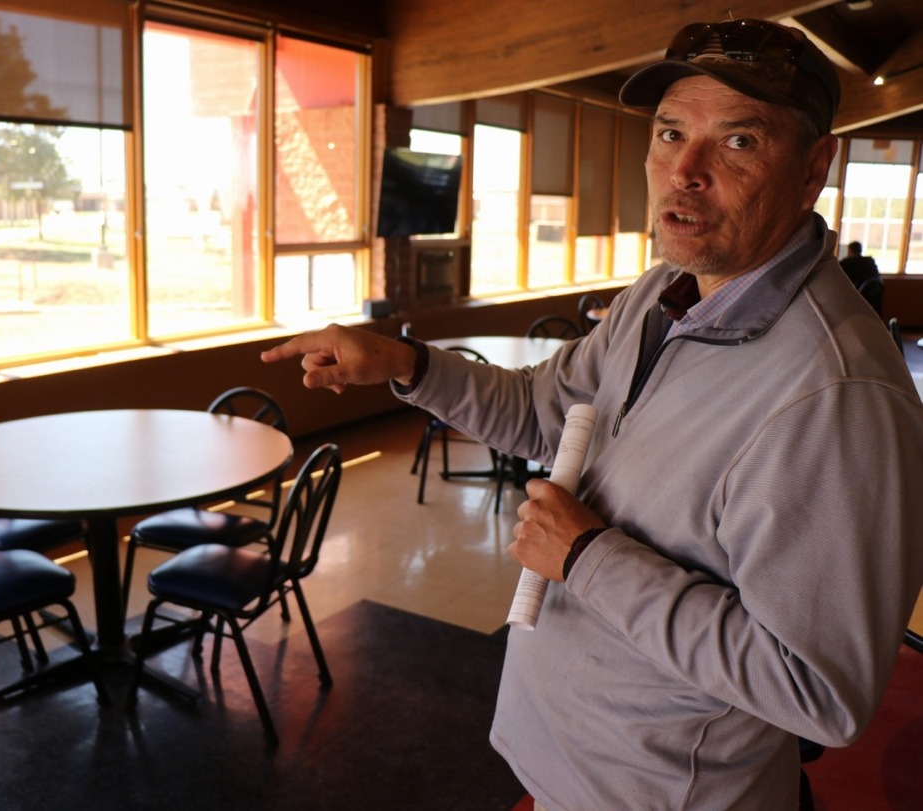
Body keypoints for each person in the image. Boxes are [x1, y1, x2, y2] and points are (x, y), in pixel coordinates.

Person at [261, 20, 923, 810]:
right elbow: (545, 410)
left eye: (738, 142)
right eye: (670, 133)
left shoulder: (837, 393)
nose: (685, 171)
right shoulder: (662, 294)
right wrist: (406, 365)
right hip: (568, 768)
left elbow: (818, 689)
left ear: (816, 167)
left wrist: (586, 557)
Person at [842, 241, 883, 312]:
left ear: (850, 251)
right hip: (874, 298)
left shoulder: (847, 263)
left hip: (856, 297)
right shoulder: (870, 262)